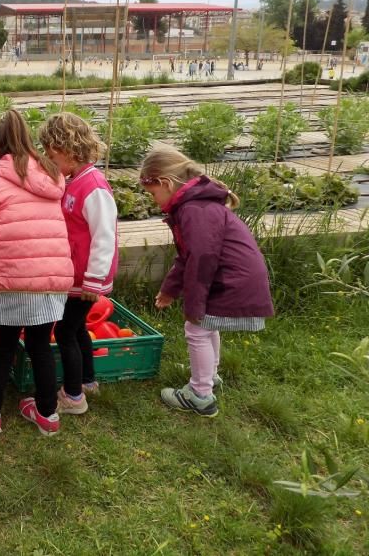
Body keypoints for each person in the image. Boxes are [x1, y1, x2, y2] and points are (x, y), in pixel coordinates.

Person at [0, 110, 74, 436]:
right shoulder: (51, 176)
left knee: (3, 345)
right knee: (40, 345)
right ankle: (47, 414)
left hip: (10, 280)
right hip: (51, 280)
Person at [139, 146, 274, 418]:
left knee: (196, 328)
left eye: (153, 193)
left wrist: (194, 303)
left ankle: (200, 395)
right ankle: (209, 376)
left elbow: (202, 259)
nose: (153, 200)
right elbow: (188, 256)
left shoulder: (194, 210)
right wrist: (169, 289)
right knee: (206, 327)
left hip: (229, 280)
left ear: (165, 183)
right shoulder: (195, 205)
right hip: (235, 277)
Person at [39, 113, 118, 414]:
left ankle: (73, 397)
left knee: (65, 331)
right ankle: (86, 380)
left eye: (51, 154)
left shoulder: (94, 186)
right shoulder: (76, 181)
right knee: (76, 327)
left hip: (86, 277)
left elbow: (104, 235)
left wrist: (94, 279)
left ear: (69, 150)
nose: (49, 159)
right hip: (77, 274)